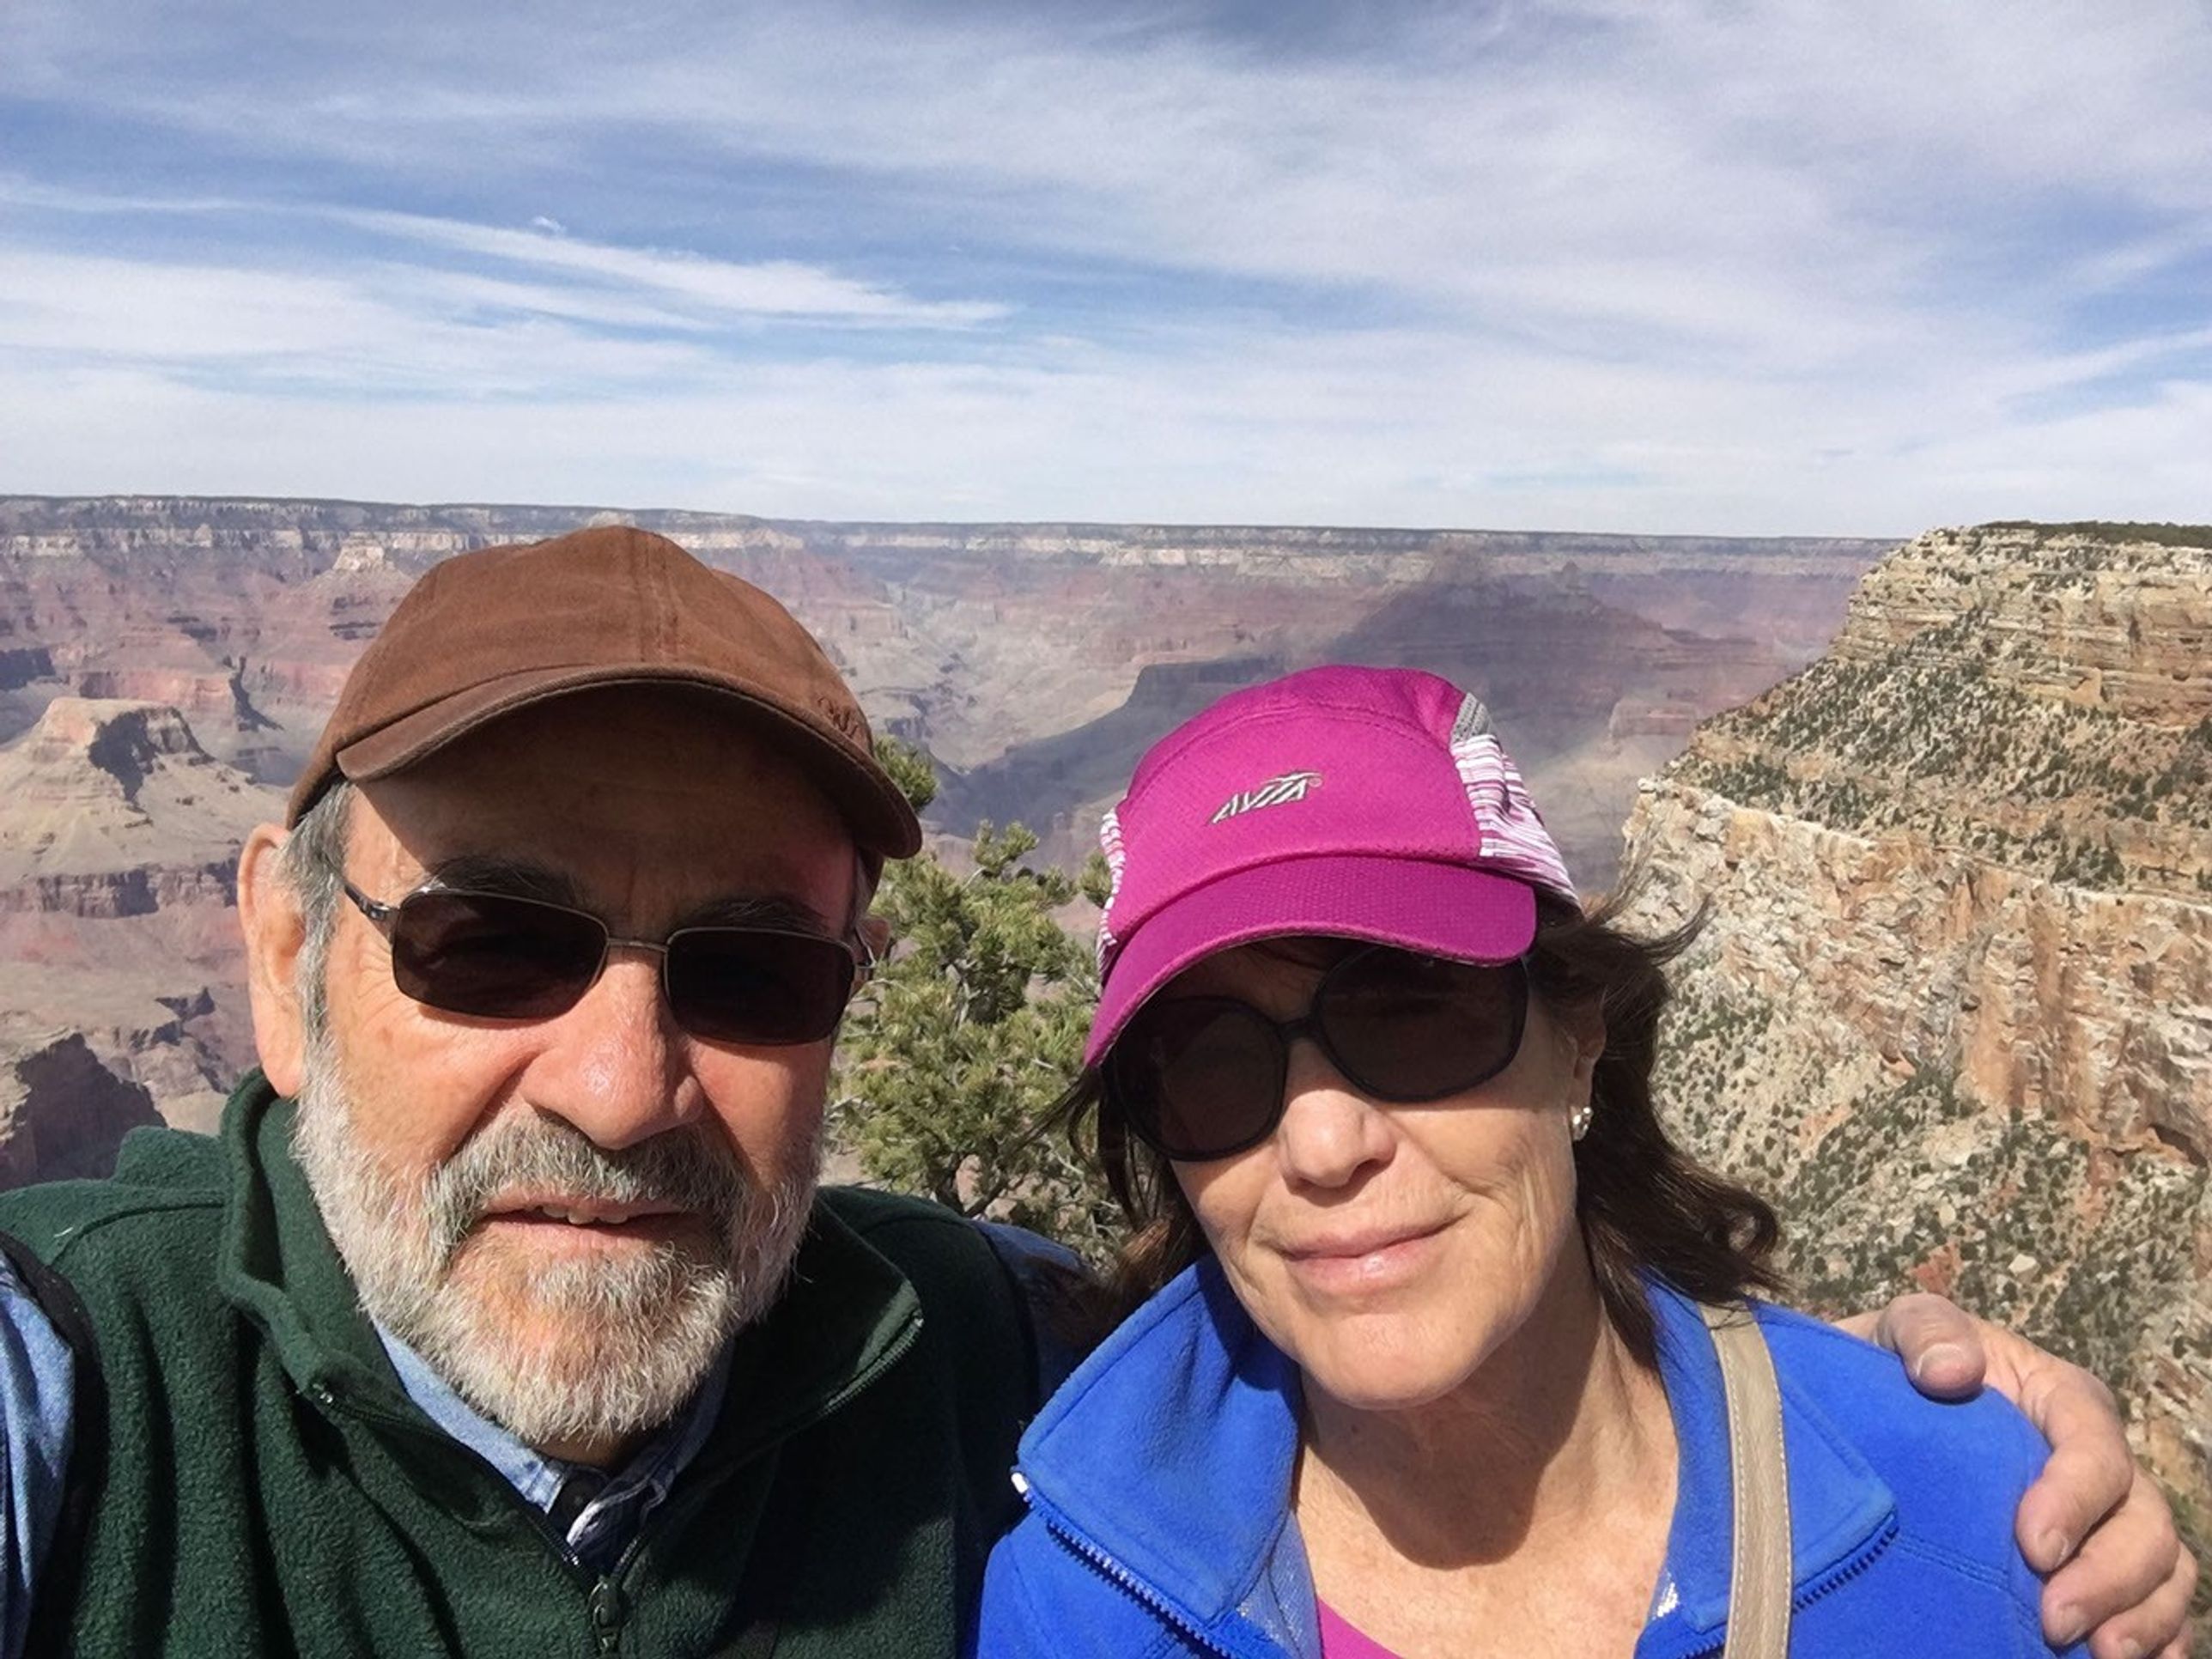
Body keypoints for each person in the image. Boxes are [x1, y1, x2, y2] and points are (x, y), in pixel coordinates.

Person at [0, 536, 2185, 1658]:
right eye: (496, 939)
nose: (619, 1073)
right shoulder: (85, 1411)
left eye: (752, 969)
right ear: (284, 965)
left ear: (1580, 1028)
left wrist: (1938, 1417)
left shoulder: (969, 1372)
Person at [977, 665, 2200, 1659]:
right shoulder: (1074, 1605)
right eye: (1211, 1061)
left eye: (1410, 1013)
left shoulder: (1987, 1541)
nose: (1322, 1143)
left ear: (1578, 1041)